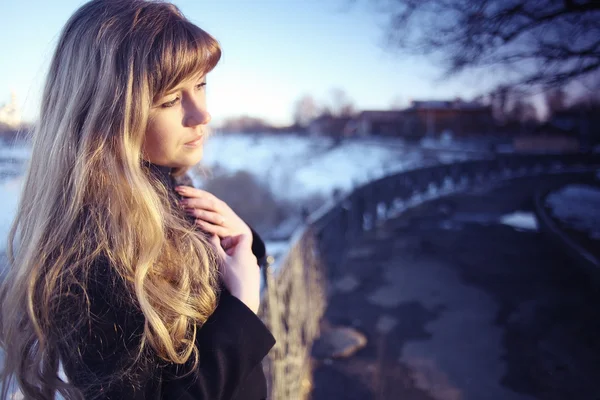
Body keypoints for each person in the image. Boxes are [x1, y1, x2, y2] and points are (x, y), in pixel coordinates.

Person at [0, 1, 275, 399]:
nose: (202, 114)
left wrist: (242, 238)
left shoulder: (168, 190)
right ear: (105, 114)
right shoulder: (94, 255)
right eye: (169, 100)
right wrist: (243, 307)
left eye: (200, 85)